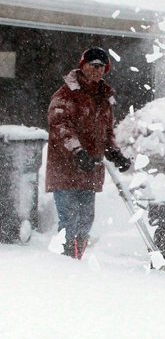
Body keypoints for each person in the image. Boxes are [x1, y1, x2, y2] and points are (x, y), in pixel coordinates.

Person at [46, 47, 131, 259]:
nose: (97, 70)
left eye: (101, 67)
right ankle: (66, 263)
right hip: (66, 168)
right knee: (69, 219)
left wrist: (115, 153)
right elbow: (60, 126)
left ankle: (76, 259)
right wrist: (77, 151)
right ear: (82, 65)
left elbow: (107, 131)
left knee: (85, 220)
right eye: (93, 65)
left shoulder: (104, 97)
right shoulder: (66, 94)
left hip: (90, 168)